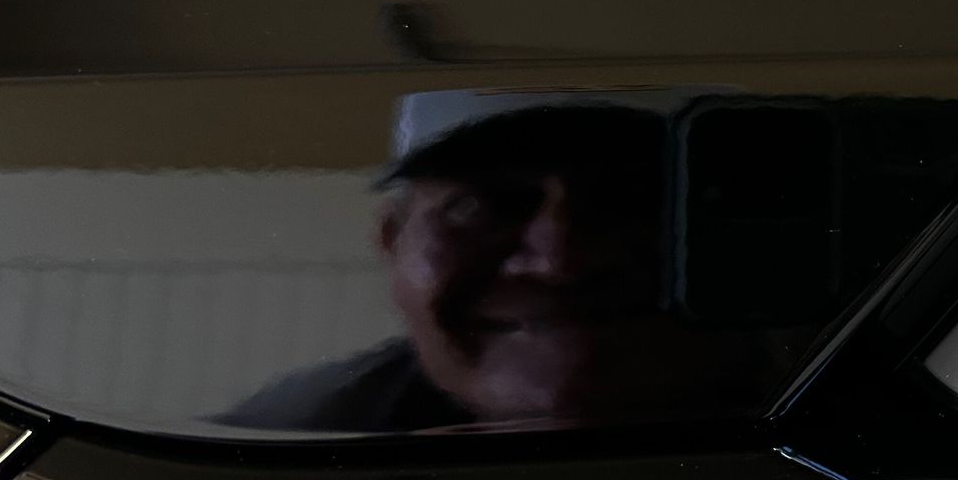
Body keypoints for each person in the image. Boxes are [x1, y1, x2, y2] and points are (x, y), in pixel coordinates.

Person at [223, 90, 794, 433]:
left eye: (641, 197)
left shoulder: (868, 409)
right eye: (477, 207)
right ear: (392, 241)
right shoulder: (277, 460)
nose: (563, 261)